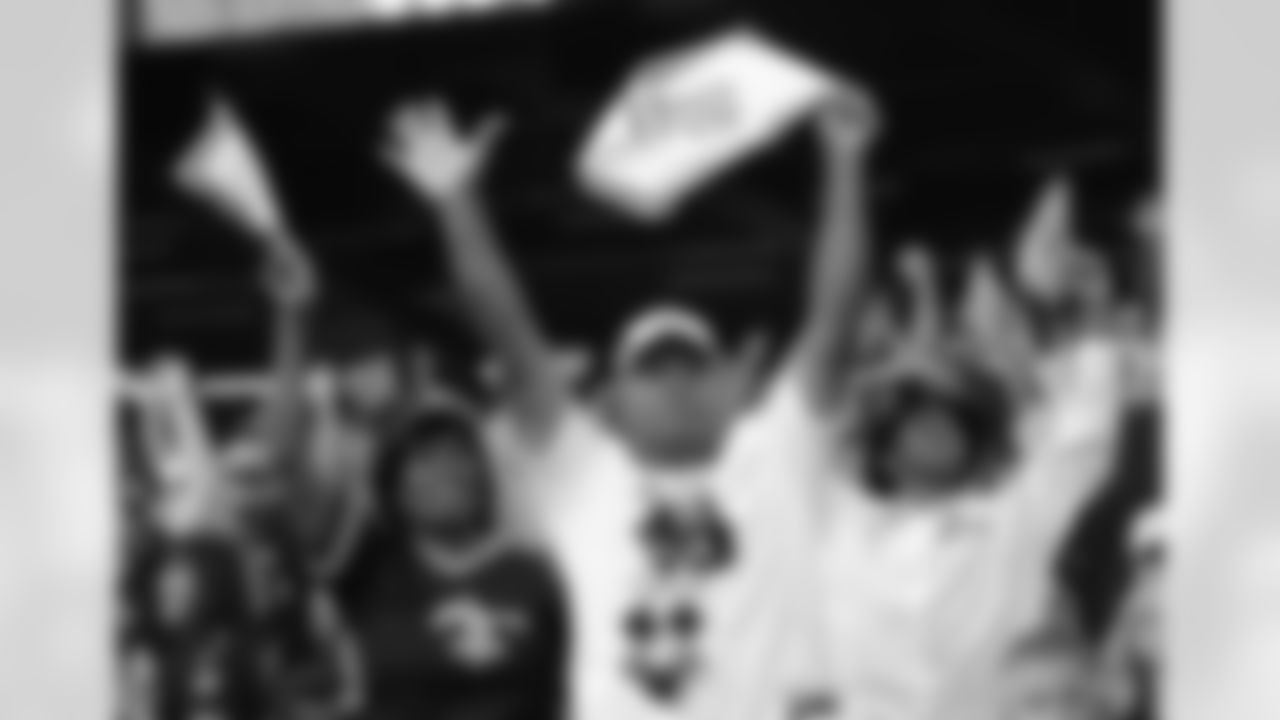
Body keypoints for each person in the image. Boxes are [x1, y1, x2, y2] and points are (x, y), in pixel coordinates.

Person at [381, 79, 879, 720]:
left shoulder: (779, 453)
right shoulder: (583, 475)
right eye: (651, 368)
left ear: (730, 389)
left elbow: (837, 314)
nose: (674, 381)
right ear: (612, 401)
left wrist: (844, 160)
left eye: (693, 364)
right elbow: (506, 330)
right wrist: (458, 203)